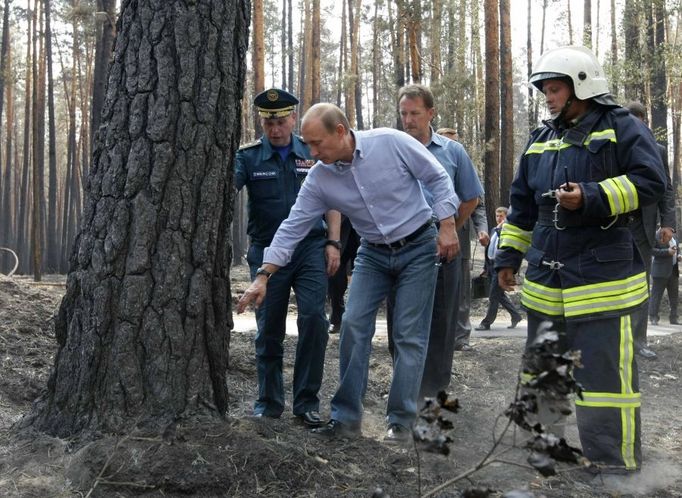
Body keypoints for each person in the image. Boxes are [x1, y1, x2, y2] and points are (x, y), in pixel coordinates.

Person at [237, 103, 461, 443]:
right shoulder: (319, 177)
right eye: (307, 145)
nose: (311, 153)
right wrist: (264, 274)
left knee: (408, 335)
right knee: (353, 324)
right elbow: (292, 227)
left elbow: (437, 176)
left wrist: (446, 223)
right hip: (371, 252)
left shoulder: (390, 142)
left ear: (340, 131)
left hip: (418, 245)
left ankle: (400, 421)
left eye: (317, 144)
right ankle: (345, 418)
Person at [495, 46, 666, 473]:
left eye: (555, 90)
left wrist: (591, 196)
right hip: (547, 282)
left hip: (604, 281)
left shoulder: (621, 128)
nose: (548, 98)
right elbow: (522, 207)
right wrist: (508, 256)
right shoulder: (540, 139)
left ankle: (612, 464)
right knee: (543, 372)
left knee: (605, 380)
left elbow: (651, 182)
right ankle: (544, 452)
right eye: (545, 91)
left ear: (582, 87)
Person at [234, 88, 341, 427]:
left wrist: (333, 242)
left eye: (280, 121)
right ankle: (268, 402)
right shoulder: (248, 157)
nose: (275, 129)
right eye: (268, 123)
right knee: (269, 328)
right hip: (266, 251)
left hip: (310, 246)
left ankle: (306, 402)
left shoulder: (311, 152)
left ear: (293, 118)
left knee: (313, 319)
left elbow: (333, 197)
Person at [392, 84, 483, 398]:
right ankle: (405, 388)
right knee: (401, 320)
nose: (408, 120)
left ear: (430, 113)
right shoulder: (393, 148)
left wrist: (450, 230)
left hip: (441, 247)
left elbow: (471, 197)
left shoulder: (452, 151)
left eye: (415, 113)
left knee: (442, 322)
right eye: (404, 113)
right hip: (401, 247)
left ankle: (433, 392)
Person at [625, 101, 677, 359]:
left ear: (644, 121)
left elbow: (667, 189)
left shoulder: (657, 150)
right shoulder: (615, 145)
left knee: (641, 287)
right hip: (615, 228)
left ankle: (639, 342)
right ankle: (615, 341)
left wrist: (668, 223)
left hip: (645, 230)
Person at [435, 128, 491, 351]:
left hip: (460, 236)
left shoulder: (466, 169)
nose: (453, 149)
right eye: (448, 143)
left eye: (456, 144)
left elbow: (479, 204)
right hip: (430, 234)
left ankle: (460, 337)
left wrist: (482, 229)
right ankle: (437, 337)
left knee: (461, 290)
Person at [475, 207, 523, 330]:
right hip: (491, 266)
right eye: (497, 216)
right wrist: (485, 267)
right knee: (499, 295)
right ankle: (516, 315)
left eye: (501, 216)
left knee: (493, 296)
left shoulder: (506, 230)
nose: (498, 218)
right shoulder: (493, 230)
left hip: (500, 267)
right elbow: (489, 248)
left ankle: (486, 323)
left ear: (507, 217)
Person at [327, 216, 360, 334]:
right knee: (335, 278)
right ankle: (337, 318)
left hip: (364, 232)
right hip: (340, 230)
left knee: (364, 281)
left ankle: (358, 322)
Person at [649, 230, 679, 325]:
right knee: (656, 296)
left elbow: (677, 249)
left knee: (674, 297)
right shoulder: (656, 235)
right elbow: (651, 250)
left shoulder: (674, 237)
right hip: (660, 272)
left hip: (673, 271)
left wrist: (679, 255)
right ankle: (653, 317)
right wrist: (667, 252)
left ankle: (673, 318)